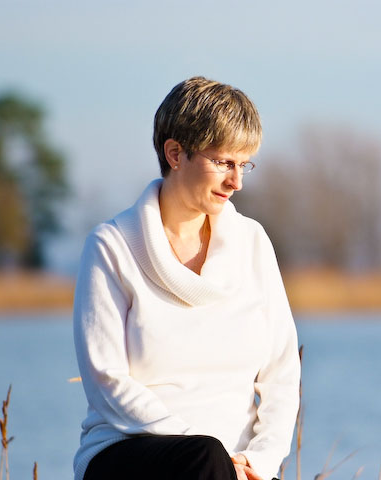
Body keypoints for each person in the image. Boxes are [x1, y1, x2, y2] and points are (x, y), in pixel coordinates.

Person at [72, 76, 301, 480]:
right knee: (205, 457)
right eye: (223, 162)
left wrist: (261, 461)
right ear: (175, 153)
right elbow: (107, 381)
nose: (237, 181)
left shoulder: (252, 243)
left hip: (231, 467)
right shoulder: (112, 246)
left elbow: (282, 375)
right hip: (129, 452)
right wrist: (205, 450)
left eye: (243, 164)